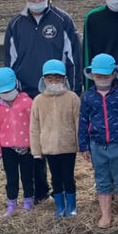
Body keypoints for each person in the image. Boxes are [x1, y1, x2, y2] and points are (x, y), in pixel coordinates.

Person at [3, 0, 83, 204]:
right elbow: (10, 61)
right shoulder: (16, 24)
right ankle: (40, 191)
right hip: (27, 93)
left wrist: (74, 90)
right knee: (33, 143)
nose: (36, 0)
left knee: (58, 141)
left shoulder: (62, 20)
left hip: (57, 92)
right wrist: (14, 94)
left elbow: (73, 57)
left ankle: (64, 189)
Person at [79, 54, 118, 228]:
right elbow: (83, 122)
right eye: (99, 76)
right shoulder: (88, 97)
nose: (102, 79)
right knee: (102, 180)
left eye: (106, 75)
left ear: (114, 74)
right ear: (91, 75)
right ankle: (105, 215)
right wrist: (84, 146)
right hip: (97, 145)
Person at [30, 59, 80, 218]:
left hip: (68, 146)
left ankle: (71, 206)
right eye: (50, 79)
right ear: (43, 80)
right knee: (55, 178)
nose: (54, 82)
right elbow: (34, 127)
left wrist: (80, 145)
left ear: (65, 79)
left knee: (68, 177)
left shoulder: (72, 98)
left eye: (58, 78)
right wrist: (36, 150)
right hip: (49, 147)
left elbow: (78, 122)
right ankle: (60, 206)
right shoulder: (38, 101)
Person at [0, 67, 35, 217]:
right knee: (11, 177)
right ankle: (11, 203)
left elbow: (35, 126)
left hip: (27, 148)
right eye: (3, 91)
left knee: (28, 176)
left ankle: (28, 200)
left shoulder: (28, 103)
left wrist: (37, 146)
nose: (7, 94)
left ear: (16, 85)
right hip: (7, 149)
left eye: (9, 90)